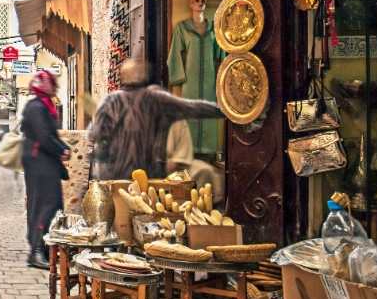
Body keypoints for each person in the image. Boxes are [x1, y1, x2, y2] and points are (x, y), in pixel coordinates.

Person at [90, 59, 224, 180]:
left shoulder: (110, 101)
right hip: (148, 176)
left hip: (115, 176)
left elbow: (94, 134)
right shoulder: (155, 98)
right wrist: (224, 111)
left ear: (122, 77)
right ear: (143, 77)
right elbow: (193, 108)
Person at [20, 70, 69, 270]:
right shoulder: (37, 107)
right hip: (39, 162)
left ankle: (44, 247)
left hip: (44, 162)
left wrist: (64, 148)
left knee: (53, 203)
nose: (55, 87)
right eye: (52, 83)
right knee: (44, 204)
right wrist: (61, 149)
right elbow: (43, 136)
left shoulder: (43, 105)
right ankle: (36, 251)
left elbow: (50, 134)